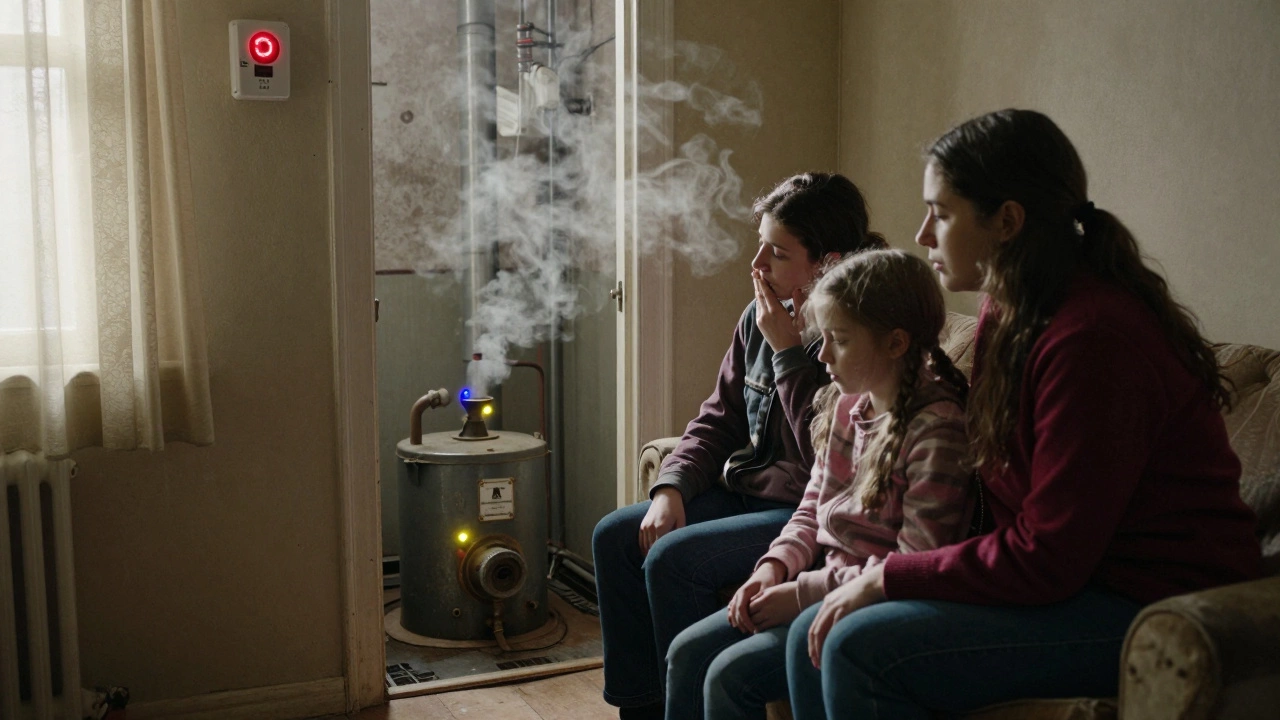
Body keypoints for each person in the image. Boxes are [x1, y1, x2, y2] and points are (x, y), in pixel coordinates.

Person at [784, 109, 1263, 720]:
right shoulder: (1006, 311)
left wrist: (887, 577)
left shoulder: (1093, 338)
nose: (923, 233)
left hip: (1148, 602)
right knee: (808, 641)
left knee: (857, 647)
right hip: (1073, 583)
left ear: (1007, 221)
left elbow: (1049, 556)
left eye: (944, 212)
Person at [592, 172, 887, 720]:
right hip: (747, 491)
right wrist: (671, 486)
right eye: (761, 245)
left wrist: (789, 355)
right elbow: (719, 416)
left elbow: (826, 456)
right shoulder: (759, 315)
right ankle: (642, 709)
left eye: (776, 252)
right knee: (616, 536)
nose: (757, 265)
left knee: (675, 560)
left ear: (827, 262)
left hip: (803, 510)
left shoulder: (855, 331)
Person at [665, 249, 975, 720]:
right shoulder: (850, 406)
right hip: (824, 584)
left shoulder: (936, 431)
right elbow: (812, 508)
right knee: (686, 653)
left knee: (730, 677)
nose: (823, 355)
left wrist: (804, 592)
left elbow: (914, 564)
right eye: (822, 338)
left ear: (895, 343)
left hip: (871, 602)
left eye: (840, 340)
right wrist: (771, 568)